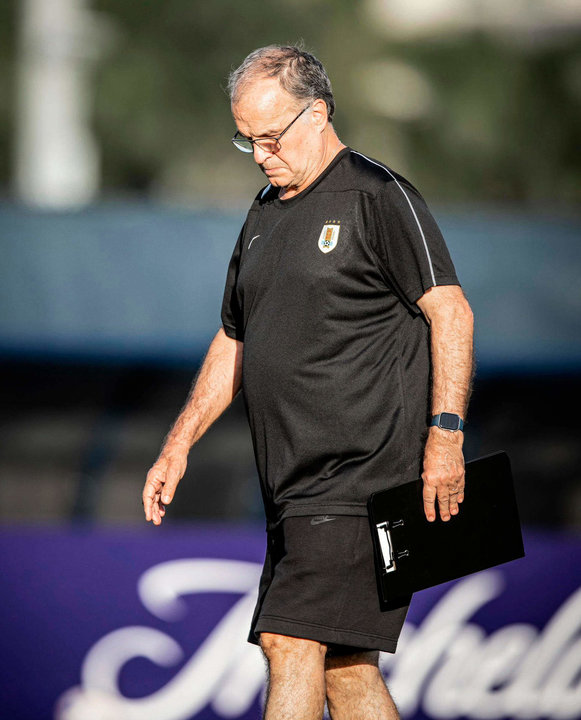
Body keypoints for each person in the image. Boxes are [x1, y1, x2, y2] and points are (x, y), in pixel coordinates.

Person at [143, 45, 474, 720]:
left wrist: (445, 436)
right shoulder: (264, 212)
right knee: (346, 670)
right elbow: (235, 335)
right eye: (246, 141)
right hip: (293, 484)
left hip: (364, 474)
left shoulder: (376, 195)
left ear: (316, 112)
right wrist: (178, 444)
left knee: (288, 639)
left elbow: (451, 311)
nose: (261, 154)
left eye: (270, 137)